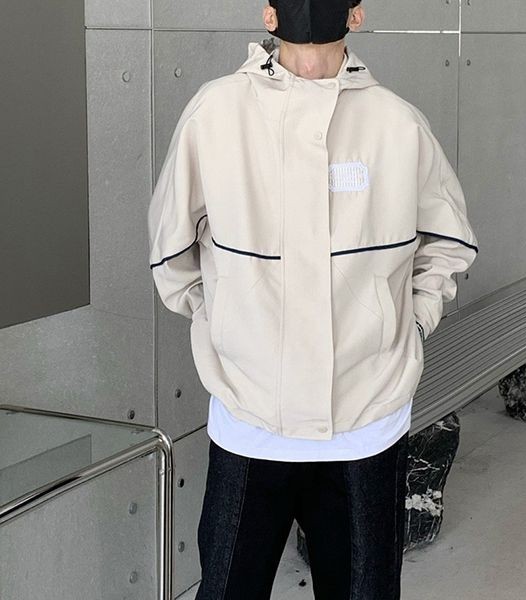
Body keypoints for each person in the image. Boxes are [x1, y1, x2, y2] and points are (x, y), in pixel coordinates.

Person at [147, 1, 479, 598]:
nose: (307, 50)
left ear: (356, 15)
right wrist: (225, 322)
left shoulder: (396, 123)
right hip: (249, 422)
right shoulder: (216, 113)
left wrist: (410, 325)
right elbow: (171, 252)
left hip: (366, 423)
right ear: (268, 16)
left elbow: (448, 242)